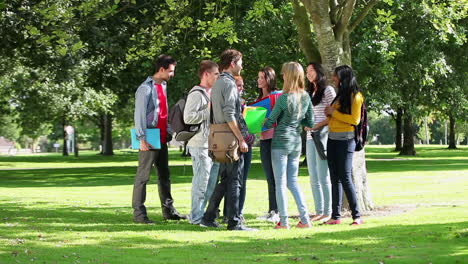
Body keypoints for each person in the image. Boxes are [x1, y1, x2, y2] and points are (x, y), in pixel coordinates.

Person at [200, 49, 256, 231]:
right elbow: (230, 113)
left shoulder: (217, 83)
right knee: (234, 180)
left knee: (225, 179)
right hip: (230, 137)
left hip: (219, 136)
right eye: (240, 62)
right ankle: (234, 222)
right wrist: (241, 139)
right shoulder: (229, 84)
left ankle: (208, 217)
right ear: (232, 63)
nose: (242, 66)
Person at [132, 54, 185, 224]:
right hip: (149, 137)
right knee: (143, 177)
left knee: (164, 175)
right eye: (170, 71)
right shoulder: (145, 89)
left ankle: (169, 211)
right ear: (161, 70)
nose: (172, 74)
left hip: (162, 137)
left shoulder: (162, 86)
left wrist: (169, 130)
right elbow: (139, 115)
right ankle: (139, 215)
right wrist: (141, 138)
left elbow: (163, 112)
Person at [264, 62, 313, 229]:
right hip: (296, 142)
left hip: (280, 142)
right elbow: (310, 121)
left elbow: (271, 121)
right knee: (293, 182)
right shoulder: (306, 96)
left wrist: (258, 120)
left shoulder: (284, 98)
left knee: (280, 183)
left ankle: (284, 221)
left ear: (289, 76)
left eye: (284, 74)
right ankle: (305, 219)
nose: (282, 76)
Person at [322, 65, 363, 226]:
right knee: (334, 178)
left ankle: (357, 215)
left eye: (336, 76)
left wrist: (334, 113)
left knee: (345, 176)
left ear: (344, 77)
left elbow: (355, 120)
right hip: (332, 138)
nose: (333, 78)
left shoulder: (356, 96)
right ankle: (335, 216)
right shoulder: (340, 96)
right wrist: (329, 114)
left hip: (346, 140)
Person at [184, 60, 220, 225]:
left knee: (210, 183)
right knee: (201, 182)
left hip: (213, 144)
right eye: (215, 74)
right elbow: (188, 117)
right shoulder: (196, 94)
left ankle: (203, 216)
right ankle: (196, 216)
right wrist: (208, 110)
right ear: (206, 74)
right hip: (199, 144)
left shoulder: (211, 93)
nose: (217, 77)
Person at [305, 63, 336, 223]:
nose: (308, 74)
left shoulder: (328, 90)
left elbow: (333, 114)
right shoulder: (309, 93)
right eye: (306, 71)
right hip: (310, 137)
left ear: (318, 72)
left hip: (322, 137)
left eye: (311, 70)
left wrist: (316, 126)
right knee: (313, 176)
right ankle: (318, 210)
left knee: (323, 176)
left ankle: (328, 211)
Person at [254, 67, 281, 223]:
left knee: (275, 176)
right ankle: (272, 210)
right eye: (258, 77)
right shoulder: (260, 100)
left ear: (269, 79)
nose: (259, 80)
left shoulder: (277, 96)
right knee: (269, 177)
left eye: (262, 77)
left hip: (275, 139)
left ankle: (277, 211)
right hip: (264, 139)